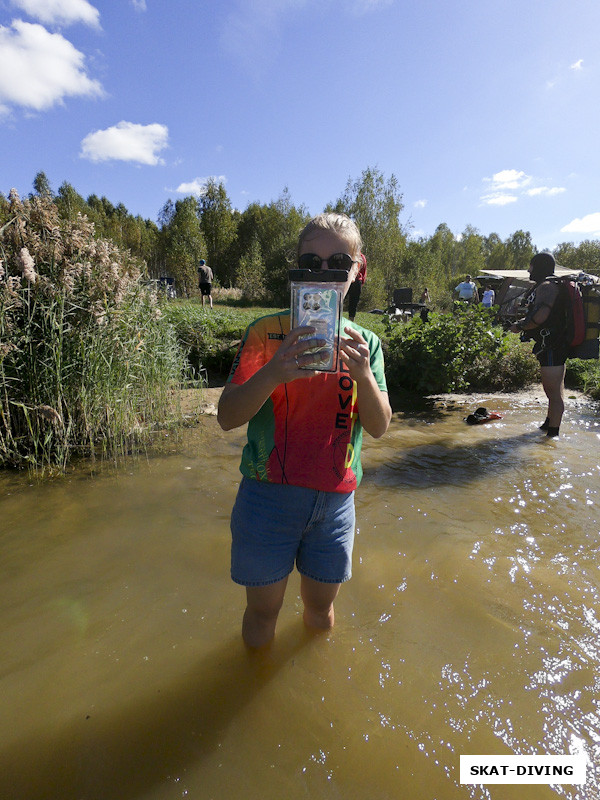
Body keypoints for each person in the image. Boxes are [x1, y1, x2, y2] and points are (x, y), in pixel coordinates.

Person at [217, 213, 392, 649]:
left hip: (334, 504)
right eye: (309, 263)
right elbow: (227, 417)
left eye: (338, 263)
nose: (323, 274)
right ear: (294, 270)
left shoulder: (366, 344)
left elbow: (380, 427)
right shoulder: (264, 332)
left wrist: (365, 377)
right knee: (262, 612)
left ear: (359, 269)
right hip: (266, 498)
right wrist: (274, 372)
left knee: (320, 611)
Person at [509, 252, 566, 437]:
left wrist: (519, 326)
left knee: (553, 393)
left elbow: (541, 316)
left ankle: (552, 437)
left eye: (531, 266)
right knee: (554, 390)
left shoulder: (547, 286)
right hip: (551, 343)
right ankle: (549, 424)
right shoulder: (547, 285)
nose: (528, 270)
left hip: (552, 344)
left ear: (539, 266)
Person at [347, 252, 367, 321]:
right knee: (353, 303)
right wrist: (362, 282)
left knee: (341, 300)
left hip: (348, 279)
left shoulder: (349, 254)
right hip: (358, 281)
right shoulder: (362, 257)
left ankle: (338, 317)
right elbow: (364, 271)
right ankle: (351, 319)